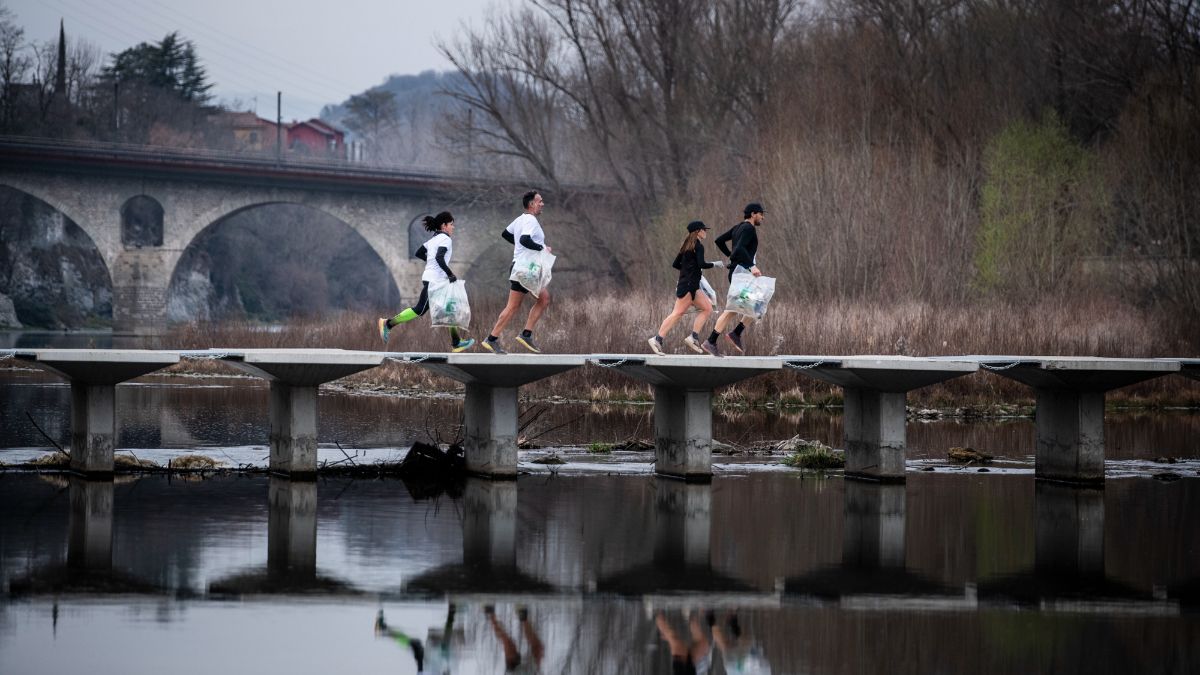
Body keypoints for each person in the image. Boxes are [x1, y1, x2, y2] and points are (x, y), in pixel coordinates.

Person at [376, 211, 475, 352]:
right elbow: (440, 258)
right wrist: (450, 274)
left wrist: (430, 264)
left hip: (434, 279)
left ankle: (456, 341)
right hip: (435, 281)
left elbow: (419, 253)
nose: (453, 227)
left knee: (448, 309)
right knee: (420, 309)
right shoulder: (445, 239)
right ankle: (388, 323)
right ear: (444, 225)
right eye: (451, 224)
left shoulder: (432, 240)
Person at [482, 190, 552, 354]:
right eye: (540, 201)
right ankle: (523, 334)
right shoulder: (531, 221)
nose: (542, 203)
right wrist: (542, 248)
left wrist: (521, 249)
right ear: (532, 204)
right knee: (541, 299)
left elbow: (506, 234)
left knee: (518, 305)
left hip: (521, 268)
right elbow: (524, 240)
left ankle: (494, 338)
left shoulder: (520, 219)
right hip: (526, 269)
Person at [648, 220, 725, 356]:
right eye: (704, 229)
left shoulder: (686, 245)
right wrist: (714, 264)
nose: (705, 232)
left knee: (707, 308)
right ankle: (656, 339)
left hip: (691, 285)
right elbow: (701, 264)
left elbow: (676, 264)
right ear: (698, 231)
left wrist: (689, 270)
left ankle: (693, 338)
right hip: (689, 286)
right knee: (677, 313)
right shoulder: (698, 246)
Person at [707, 202, 766, 355]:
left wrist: (730, 256)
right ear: (753, 214)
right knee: (753, 306)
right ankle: (717, 339)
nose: (762, 217)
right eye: (761, 214)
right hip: (742, 274)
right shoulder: (748, 228)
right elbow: (739, 248)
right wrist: (750, 266)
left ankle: (726, 336)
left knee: (752, 306)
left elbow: (719, 240)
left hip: (739, 273)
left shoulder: (738, 227)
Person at [484, 604, 544, 673]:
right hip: (527, 671)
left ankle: (490, 613)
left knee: (508, 643)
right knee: (537, 647)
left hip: (513, 670)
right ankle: (523, 616)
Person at [654, 609, 713, 675]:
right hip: (698, 665)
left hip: (694, 666)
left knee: (673, 638)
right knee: (694, 626)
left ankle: (659, 612)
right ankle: (659, 613)